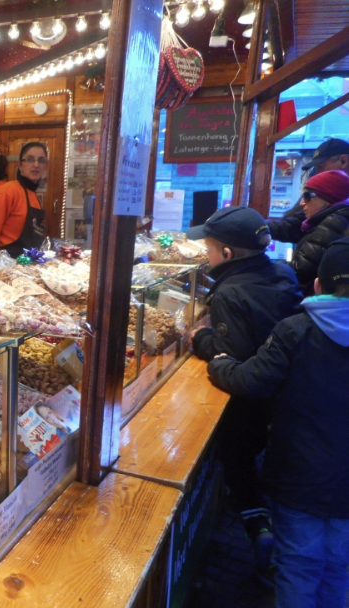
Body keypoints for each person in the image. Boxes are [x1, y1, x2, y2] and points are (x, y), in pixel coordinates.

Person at [206, 237, 349, 608]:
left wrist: (220, 361)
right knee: (339, 567)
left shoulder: (296, 331)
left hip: (299, 475)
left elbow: (250, 382)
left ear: (319, 284)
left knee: (298, 565)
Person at [187, 206, 303, 572]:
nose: (205, 256)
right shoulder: (281, 272)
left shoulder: (231, 292)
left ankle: (257, 524)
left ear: (226, 254)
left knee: (237, 453)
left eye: (207, 248)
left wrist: (202, 339)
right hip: (287, 396)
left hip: (252, 400)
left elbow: (232, 357)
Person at [269, 169, 349, 295]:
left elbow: (301, 270)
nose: (302, 203)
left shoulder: (334, 223)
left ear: (327, 199)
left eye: (307, 196)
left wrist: (262, 267)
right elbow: (289, 228)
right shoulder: (322, 219)